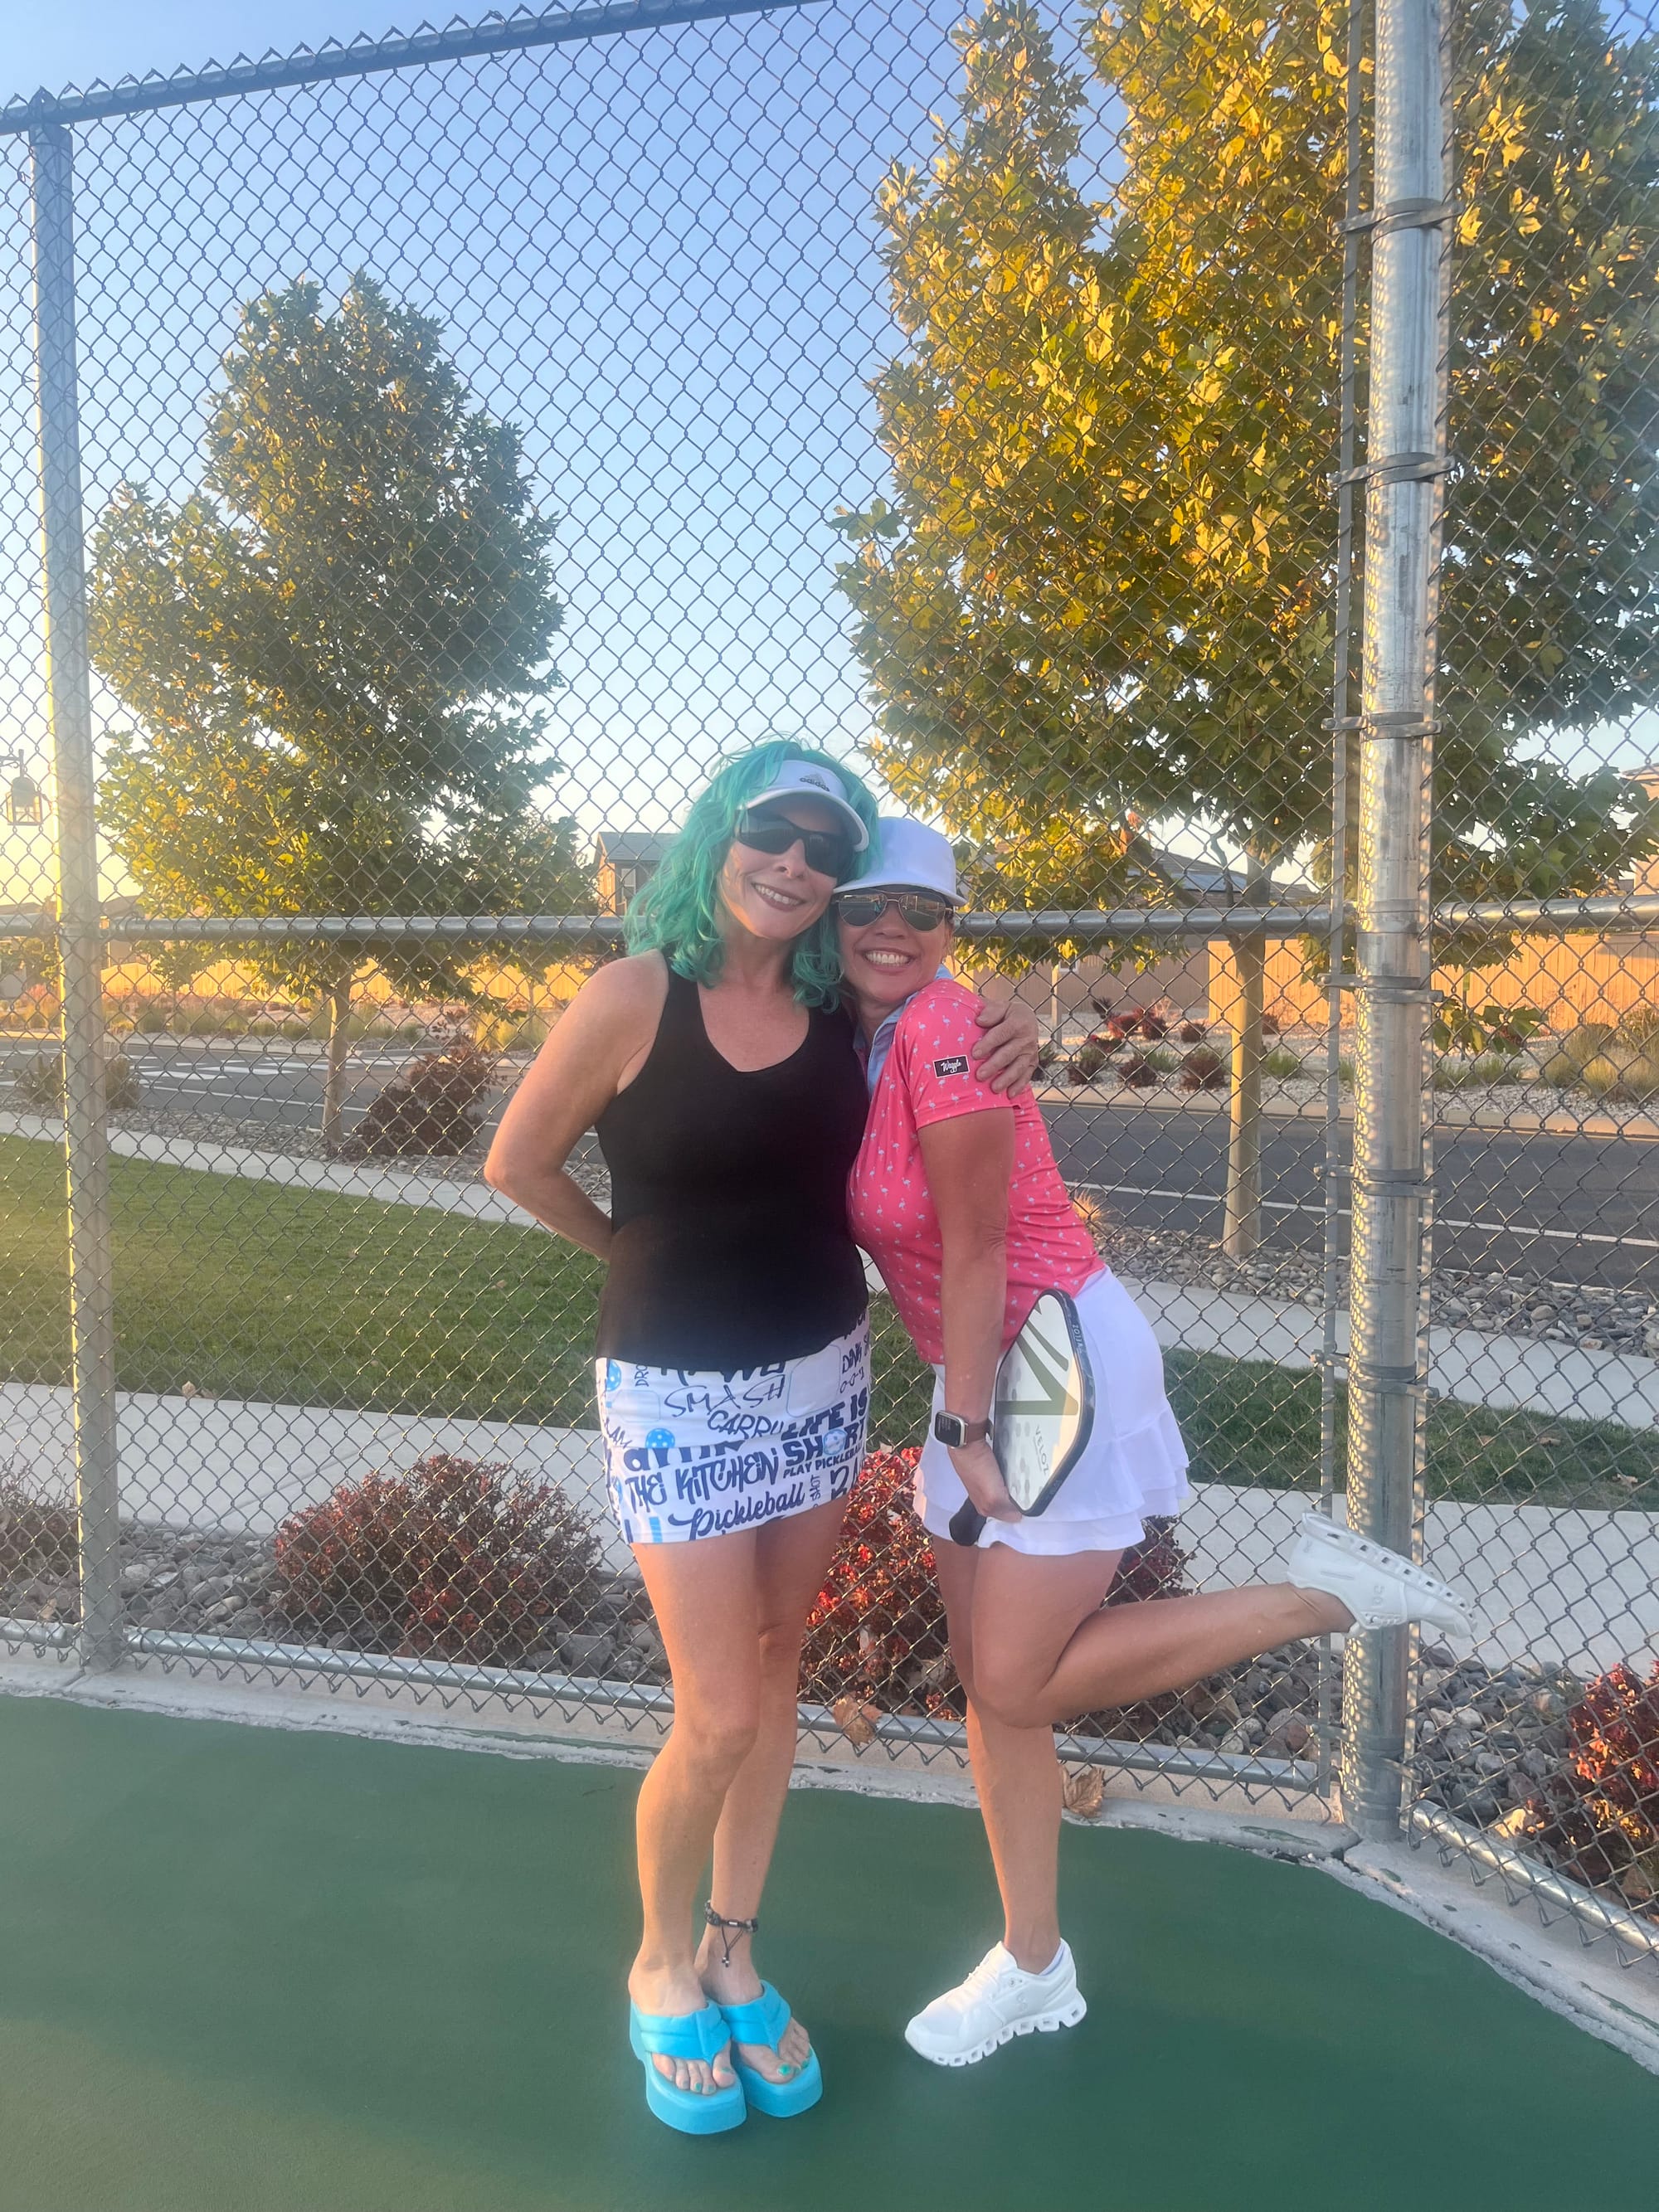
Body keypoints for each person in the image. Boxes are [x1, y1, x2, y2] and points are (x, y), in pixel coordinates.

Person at [836, 818, 1471, 2069]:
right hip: (979, 1370)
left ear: (954, 927)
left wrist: (965, 1424)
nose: (892, 926)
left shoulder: (944, 1022)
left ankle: (1324, 1596)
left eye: (923, 906)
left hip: (1043, 1369)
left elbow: (979, 1240)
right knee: (991, 1687)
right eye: (867, 903)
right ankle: (1032, 1964)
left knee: (1016, 1683)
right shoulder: (859, 1037)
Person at [482, 745, 1037, 2134]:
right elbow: (517, 1161)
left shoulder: (845, 1012)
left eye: (826, 847)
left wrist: (1021, 1024)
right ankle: (658, 1960)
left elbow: (948, 1020)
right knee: (720, 1708)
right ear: (717, 838)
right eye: (771, 831)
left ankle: (733, 1946)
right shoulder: (633, 996)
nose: (795, 862)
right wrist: (634, 1253)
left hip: (820, 1382)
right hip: (672, 1396)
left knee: (781, 1664)